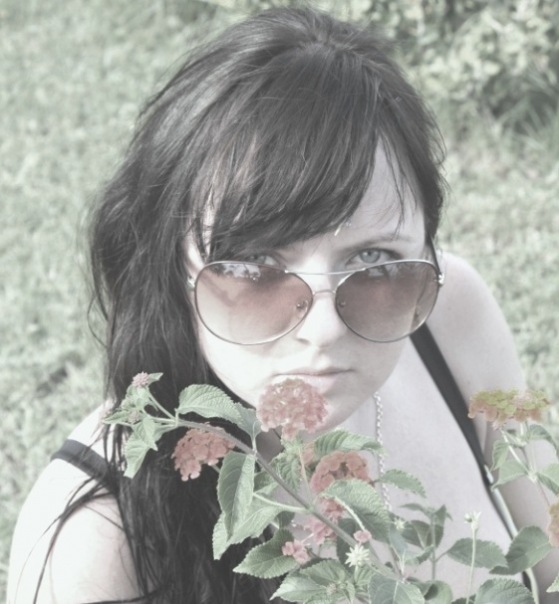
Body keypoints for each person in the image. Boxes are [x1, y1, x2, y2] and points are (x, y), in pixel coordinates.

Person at [7, 6, 558, 603]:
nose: (323, 330)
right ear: (169, 266)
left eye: (375, 261)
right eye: (254, 267)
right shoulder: (95, 540)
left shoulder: (450, 317)